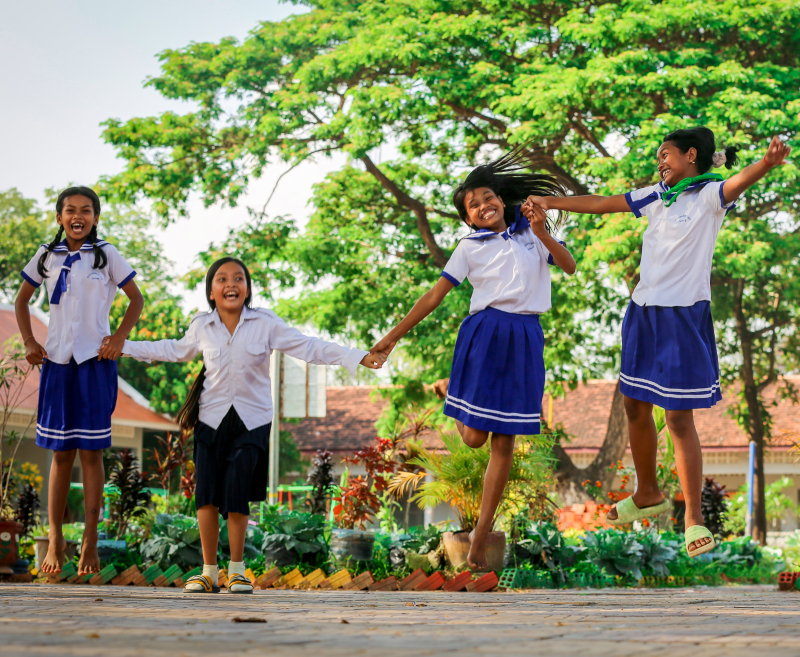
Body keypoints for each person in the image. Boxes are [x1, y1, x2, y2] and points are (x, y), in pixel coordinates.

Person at [524, 128, 791, 556]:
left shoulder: (708, 197)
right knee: (633, 405)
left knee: (679, 419)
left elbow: (738, 181)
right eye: (658, 157)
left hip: (682, 315)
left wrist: (766, 163)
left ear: (691, 155)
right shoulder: (654, 197)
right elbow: (601, 203)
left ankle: (693, 519)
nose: (660, 162)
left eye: (666, 155)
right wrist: (550, 202)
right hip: (642, 312)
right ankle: (646, 490)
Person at [119, 257, 386, 593]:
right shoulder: (202, 325)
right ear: (211, 291)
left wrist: (357, 355)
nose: (231, 284)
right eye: (222, 279)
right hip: (210, 419)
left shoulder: (265, 323)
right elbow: (172, 350)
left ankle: (237, 570)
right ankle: (208, 571)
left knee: (236, 490)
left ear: (247, 288)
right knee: (206, 496)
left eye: (238, 278)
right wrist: (122, 347)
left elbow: (308, 346)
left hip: (252, 421)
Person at [371, 146, 576, 569]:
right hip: (485, 333)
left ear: (502, 200)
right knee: (473, 438)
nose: (483, 205)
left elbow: (569, 266)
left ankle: (480, 537)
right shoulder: (469, 247)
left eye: (488, 197)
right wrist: (391, 338)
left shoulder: (530, 233)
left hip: (526, 337)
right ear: (466, 218)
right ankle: (457, 397)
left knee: (505, 442)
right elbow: (434, 295)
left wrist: (542, 232)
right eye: (473, 204)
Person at [15, 186, 144, 576]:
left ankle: (89, 540)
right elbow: (21, 301)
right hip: (57, 361)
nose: (78, 216)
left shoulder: (106, 255)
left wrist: (119, 338)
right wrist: (29, 342)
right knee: (60, 453)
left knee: (90, 453)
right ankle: (55, 538)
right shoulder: (46, 256)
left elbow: (135, 299)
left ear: (95, 217)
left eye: (86, 211)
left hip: (94, 362)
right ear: (59, 218)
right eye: (70, 210)